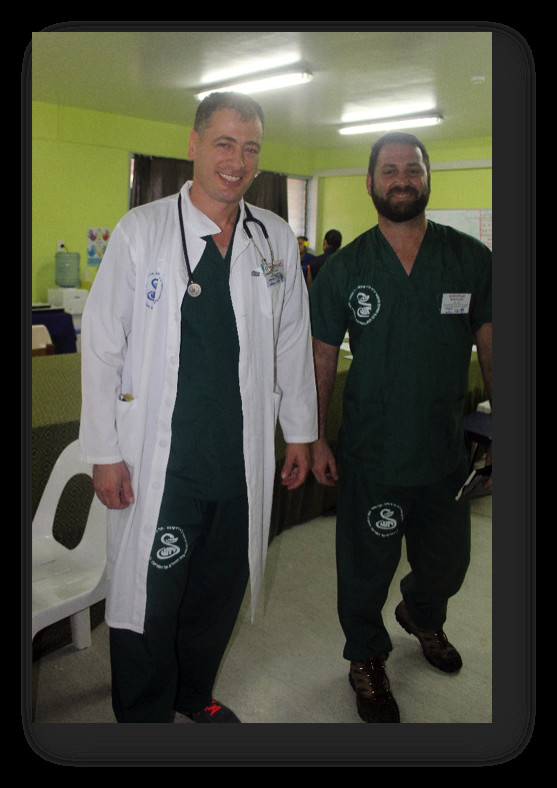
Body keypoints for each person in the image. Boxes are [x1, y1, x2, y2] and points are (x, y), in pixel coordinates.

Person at [79, 92, 317, 724]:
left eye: (250, 148)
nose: (236, 160)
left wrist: (299, 432)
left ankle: (193, 695)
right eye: (223, 143)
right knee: (150, 601)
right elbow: (100, 347)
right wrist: (102, 453)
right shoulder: (143, 231)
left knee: (217, 592)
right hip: (164, 466)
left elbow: (291, 337)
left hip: (239, 462)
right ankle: (145, 716)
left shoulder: (272, 239)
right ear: (193, 144)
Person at [309, 131, 492, 724]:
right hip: (373, 451)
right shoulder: (345, 269)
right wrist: (314, 436)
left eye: (412, 168)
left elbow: (494, 341)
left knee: (449, 564)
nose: (402, 178)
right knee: (364, 570)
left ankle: (420, 612)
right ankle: (365, 657)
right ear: (370, 183)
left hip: (444, 453)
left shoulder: (469, 259)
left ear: (427, 178)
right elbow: (321, 356)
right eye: (389, 170)